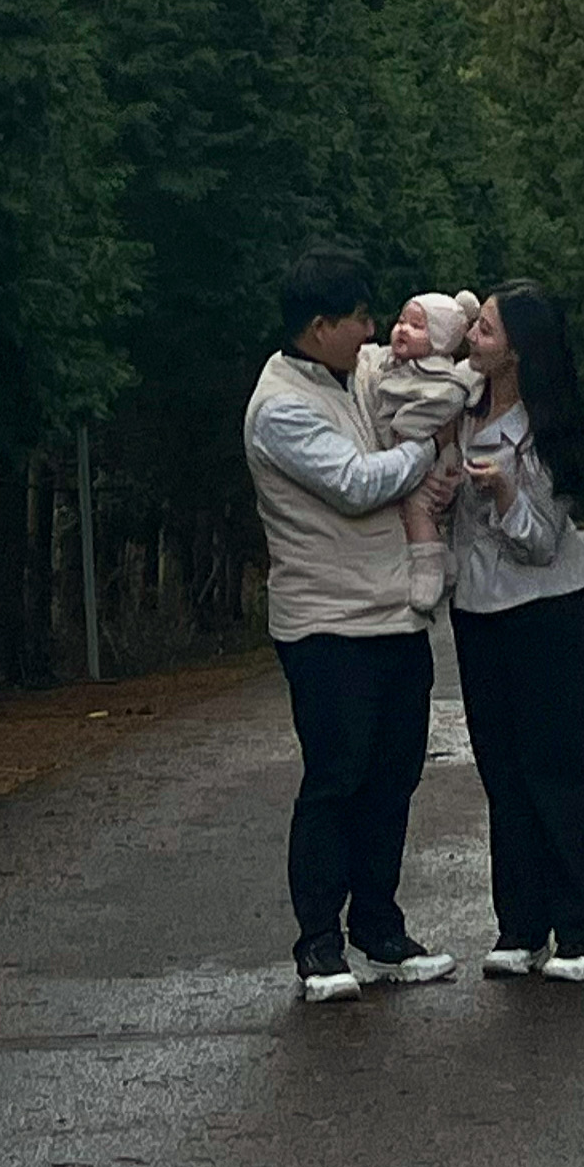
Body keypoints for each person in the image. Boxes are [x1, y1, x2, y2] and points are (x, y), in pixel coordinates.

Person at [241, 242, 460, 1003]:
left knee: (393, 780)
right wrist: (429, 445)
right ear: (319, 326)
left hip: (397, 616)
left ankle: (380, 930)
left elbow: (422, 369)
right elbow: (359, 484)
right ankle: (319, 947)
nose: (373, 330)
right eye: (360, 318)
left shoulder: (359, 369)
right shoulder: (279, 408)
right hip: (326, 624)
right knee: (336, 780)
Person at [448, 280, 584, 984]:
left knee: (561, 766)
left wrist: (506, 493)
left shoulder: (547, 432)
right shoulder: (457, 405)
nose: (472, 338)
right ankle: (521, 923)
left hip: (548, 607)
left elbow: (541, 543)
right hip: (478, 610)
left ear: (517, 351)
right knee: (503, 768)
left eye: (486, 330)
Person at [369, 288, 485, 611]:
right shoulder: (395, 365)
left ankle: (428, 568)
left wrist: (406, 428)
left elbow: (438, 408)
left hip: (435, 457)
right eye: (401, 321)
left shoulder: (443, 380)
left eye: (417, 326)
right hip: (419, 449)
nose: (403, 329)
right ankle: (443, 561)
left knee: (417, 508)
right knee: (410, 509)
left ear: (440, 339)